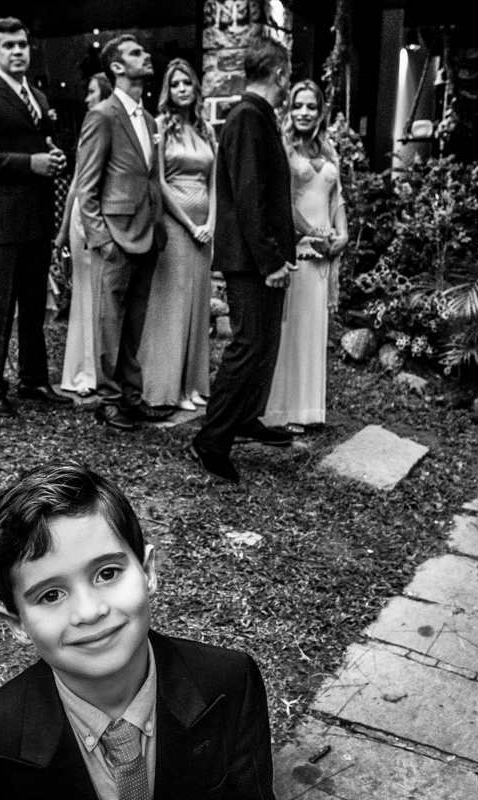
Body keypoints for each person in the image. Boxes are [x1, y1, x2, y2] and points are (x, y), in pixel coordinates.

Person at [0, 460, 276, 799]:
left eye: (107, 573)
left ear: (147, 572)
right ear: (18, 625)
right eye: (51, 595)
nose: (90, 612)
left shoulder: (230, 680)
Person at [188, 36, 297, 484]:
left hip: (260, 256)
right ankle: (211, 440)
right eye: (288, 75)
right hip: (251, 260)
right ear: (279, 74)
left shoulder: (257, 116)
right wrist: (271, 260)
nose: (289, 83)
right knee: (249, 345)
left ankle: (245, 417)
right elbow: (250, 196)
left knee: (263, 344)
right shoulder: (248, 117)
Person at [0, 17, 72, 418]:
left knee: (34, 305)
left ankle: (34, 379)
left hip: (37, 215)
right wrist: (30, 163)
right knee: (1, 308)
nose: (18, 51)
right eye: (8, 45)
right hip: (4, 218)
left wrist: (53, 158)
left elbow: (39, 145)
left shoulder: (38, 96)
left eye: (22, 44)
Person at [75, 34, 174, 431]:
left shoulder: (148, 120)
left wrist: (158, 226)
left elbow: (150, 178)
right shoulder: (102, 115)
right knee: (109, 323)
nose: (146, 55)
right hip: (116, 238)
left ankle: (132, 398)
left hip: (148, 234)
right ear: (116, 67)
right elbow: (87, 188)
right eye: (136, 53)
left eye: (145, 51)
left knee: (134, 324)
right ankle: (108, 401)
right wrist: (103, 241)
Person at [260, 80, 347, 431]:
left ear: (320, 111)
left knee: (313, 329)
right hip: (296, 249)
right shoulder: (284, 148)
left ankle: (309, 409)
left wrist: (342, 234)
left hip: (325, 254)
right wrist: (312, 234)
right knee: (291, 330)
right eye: (298, 106)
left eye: (311, 106)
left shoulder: (329, 149)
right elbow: (283, 201)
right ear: (289, 110)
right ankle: (282, 411)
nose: (304, 112)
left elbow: (336, 198)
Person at [136, 59, 215, 411]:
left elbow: (214, 182)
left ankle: (192, 384)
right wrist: (190, 224)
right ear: (168, 91)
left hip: (204, 230)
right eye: (176, 84)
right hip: (176, 225)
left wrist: (211, 222)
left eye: (187, 83)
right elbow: (159, 181)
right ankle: (169, 388)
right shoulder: (161, 126)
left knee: (198, 304)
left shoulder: (206, 129)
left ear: (196, 88)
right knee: (175, 303)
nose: (182, 89)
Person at [57, 72, 113, 397]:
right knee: (87, 295)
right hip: (88, 217)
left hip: (110, 214)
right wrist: (64, 230)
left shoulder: (114, 124)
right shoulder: (91, 128)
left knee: (105, 296)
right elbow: (77, 186)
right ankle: (86, 371)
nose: (87, 98)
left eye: (92, 92)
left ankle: (105, 369)